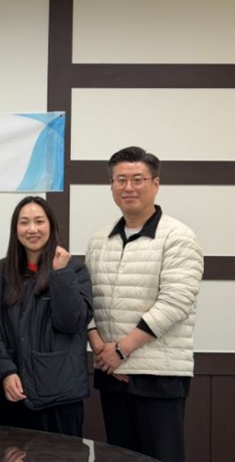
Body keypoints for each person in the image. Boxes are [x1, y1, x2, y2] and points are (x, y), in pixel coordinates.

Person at [85, 146, 203, 462]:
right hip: (111, 373)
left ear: (156, 184)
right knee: (117, 457)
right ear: (111, 186)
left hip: (158, 375)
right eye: (121, 180)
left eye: (138, 179)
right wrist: (102, 350)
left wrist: (122, 350)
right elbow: (86, 301)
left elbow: (176, 302)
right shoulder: (99, 241)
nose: (129, 187)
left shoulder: (178, 236)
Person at [0, 196, 92, 437]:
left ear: (51, 225)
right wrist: (6, 371)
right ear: (15, 229)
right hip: (15, 392)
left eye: (39, 221)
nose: (32, 229)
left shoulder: (73, 268)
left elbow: (72, 323)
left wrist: (61, 275)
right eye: (24, 222)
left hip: (61, 395)